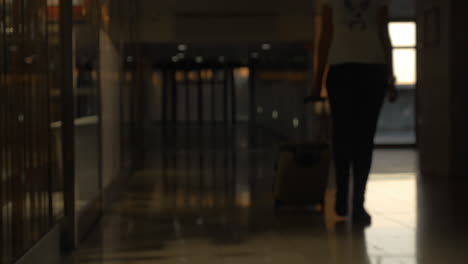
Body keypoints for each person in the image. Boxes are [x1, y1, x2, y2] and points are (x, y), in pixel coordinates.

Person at [313, 0, 398, 225]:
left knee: (361, 139)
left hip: (370, 69)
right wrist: (318, 79)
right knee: (345, 137)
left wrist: (391, 77)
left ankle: (356, 201)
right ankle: (345, 196)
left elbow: (384, 34)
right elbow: (325, 36)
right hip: (345, 70)